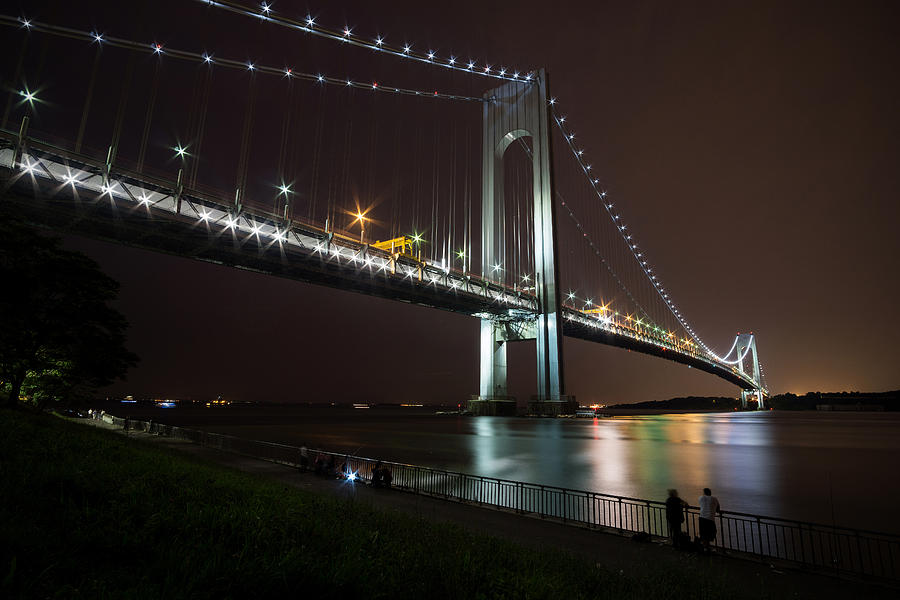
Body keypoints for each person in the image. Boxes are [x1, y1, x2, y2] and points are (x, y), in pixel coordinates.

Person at [698, 488, 721, 552]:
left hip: (702, 517)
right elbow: (718, 509)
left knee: (703, 533)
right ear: (710, 492)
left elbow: (702, 506)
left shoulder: (700, 498)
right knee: (711, 532)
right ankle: (707, 547)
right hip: (710, 518)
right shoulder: (714, 499)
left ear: (704, 493)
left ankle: (705, 547)